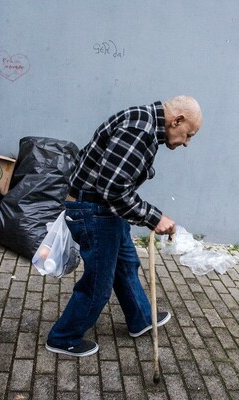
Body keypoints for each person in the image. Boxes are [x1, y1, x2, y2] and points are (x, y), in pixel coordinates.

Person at [46, 96, 202, 357]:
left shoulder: (145, 123)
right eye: (189, 135)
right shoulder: (139, 130)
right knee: (98, 284)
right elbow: (114, 189)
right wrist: (155, 217)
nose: (187, 142)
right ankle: (63, 337)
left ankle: (141, 317)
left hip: (104, 208)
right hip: (95, 210)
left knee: (126, 263)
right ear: (177, 120)